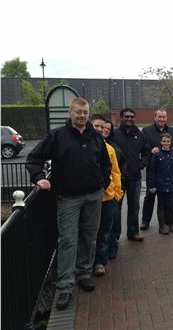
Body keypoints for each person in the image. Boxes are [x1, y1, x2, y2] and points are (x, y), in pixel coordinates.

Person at [26, 97, 111, 311]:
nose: (82, 115)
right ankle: (64, 287)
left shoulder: (95, 137)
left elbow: (105, 163)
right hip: (68, 198)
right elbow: (34, 158)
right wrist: (38, 177)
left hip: (93, 195)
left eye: (85, 112)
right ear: (70, 113)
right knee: (67, 241)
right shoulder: (58, 136)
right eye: (78, 112)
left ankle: (83, 274)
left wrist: (102, 182)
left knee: (89, 237)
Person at [90, 115, 124, 277]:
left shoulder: (110, 149)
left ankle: (99, 262)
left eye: (104, 127)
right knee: (89, 232)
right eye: (97, 126)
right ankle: (88, 261)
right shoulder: (87, 146)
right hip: (90, 197)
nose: (101, 130)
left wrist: (117, 192)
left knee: (104, 231)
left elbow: (116, 172)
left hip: (109, 197)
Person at [112, 108, 150, 247]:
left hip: (135, 177)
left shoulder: (139, 135)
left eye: (132, 116)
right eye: (126, 116)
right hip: (118, 179)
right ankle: (115, 236)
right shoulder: (114, 134)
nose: (129, 119)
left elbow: (146, 151)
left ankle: (133, 232)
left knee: (134, 207)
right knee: (116, 208)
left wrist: (141, 164)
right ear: (121, 117)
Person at [141, 109, 173, 230]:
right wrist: (150, 150)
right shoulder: (146, 131)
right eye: (159, 117)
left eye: (163, 117)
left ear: (166, 118)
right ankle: (145, 221)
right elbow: (142, 147)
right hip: (154, 171)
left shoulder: (172, 131)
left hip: (168, 172)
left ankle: (169, 221)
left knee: (168, 201)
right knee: (150, 197)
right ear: (155, 117)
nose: (161, 119)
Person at [148, 133, 173, 234]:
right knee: (161, 205)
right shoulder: (157, 155)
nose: (166, 143)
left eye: (168, 141)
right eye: (164, 141)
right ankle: (162, 225)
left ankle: (171, 223)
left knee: (170, 205)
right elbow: (152, 170)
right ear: (160, 142)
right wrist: (152, 185)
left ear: (171, 142)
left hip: (171, 184)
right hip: (160, 185)